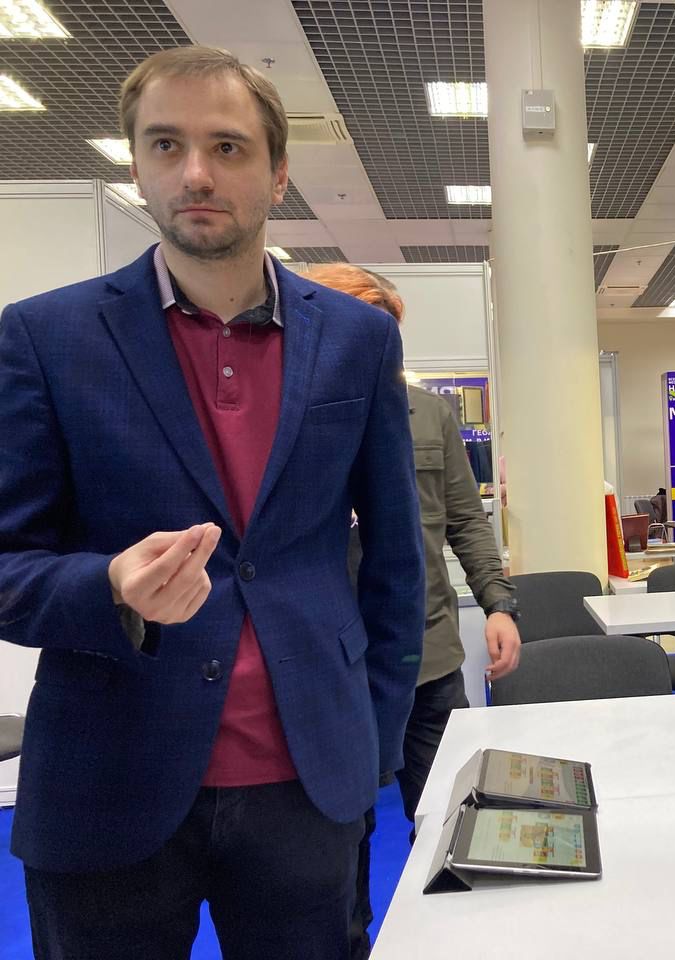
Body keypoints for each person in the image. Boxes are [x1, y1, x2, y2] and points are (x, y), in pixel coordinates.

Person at [0, 47, 426, 960]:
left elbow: (397, 560)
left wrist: (373, 743)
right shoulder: (45, 336)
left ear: (277, 173)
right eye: (167, 145)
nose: (196, 173)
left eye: (227, 146)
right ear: (137, 165)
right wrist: (108, 587)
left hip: (308, 781)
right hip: (108, 778)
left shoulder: (357, 340)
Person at [306, 265, 521, 960]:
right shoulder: (288, 418)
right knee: (340, 842)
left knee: (456, 821)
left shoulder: (429, 415)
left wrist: (498, 603)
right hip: (331, 669)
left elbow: (466, 518)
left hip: (427, 657)